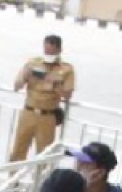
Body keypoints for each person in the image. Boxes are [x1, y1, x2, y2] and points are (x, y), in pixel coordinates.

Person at [9, 34, 74, 162]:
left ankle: (40, 180)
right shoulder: (33, 63)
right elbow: (16, 86)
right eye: (46, 50)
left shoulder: (67, 69)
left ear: (59, 50)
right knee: (18, 148)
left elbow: (67, 95)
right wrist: (26, 76)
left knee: (44, 152)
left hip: (47, 116)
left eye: (52, 51)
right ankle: (13, 178)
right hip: (29, 112)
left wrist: (54, 83)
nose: (48, 54)